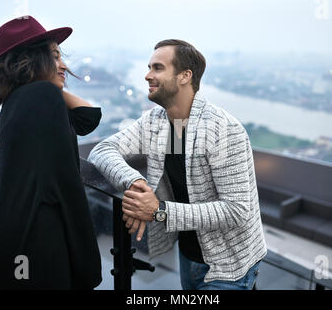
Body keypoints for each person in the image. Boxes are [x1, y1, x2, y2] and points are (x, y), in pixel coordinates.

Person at [88, 39, 267, 290]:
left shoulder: (223, 129)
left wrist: (159, 210)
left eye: (157, 68)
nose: (147, 75)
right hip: (188, 256)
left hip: (229, 266)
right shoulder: (156, 121)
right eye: (149, 67)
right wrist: (137, 183)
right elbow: (103, 149)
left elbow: (236, 210)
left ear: (185, 76)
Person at [0, 16, 102, 289]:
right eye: (55, 57)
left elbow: (87, 119)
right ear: (32, 60)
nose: (64, 66)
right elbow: (65, 183)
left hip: (18, 234)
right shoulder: (41, 96)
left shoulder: (19, 100)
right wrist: (84, 255)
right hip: (39, 237)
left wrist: (48, 81)